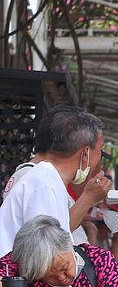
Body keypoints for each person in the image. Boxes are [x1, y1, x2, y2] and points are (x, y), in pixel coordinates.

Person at [0, 105, 111, 251]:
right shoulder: (41, 184)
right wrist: (88, 197)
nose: (100, 162)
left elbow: (55, 235)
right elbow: (46, 253)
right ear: (85, 153)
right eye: (100, 151)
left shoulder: (47, 180)